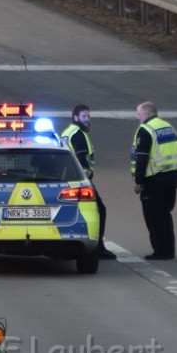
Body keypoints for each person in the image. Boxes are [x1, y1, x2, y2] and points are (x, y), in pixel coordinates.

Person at [61, 104, 117, 260]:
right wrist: (87, 175)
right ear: (75, 117)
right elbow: (81, 159)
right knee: (100, 210)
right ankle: (98, 248)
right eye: (84, 116)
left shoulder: (67, 132)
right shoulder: (78, 134)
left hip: (67, 179)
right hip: (80, 179)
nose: (88, 120)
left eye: (89, 117)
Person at [131, 101, 177, 260]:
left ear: (146, 114)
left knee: (154, 216)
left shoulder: (145, 130)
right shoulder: (168, 127)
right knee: (165, 214)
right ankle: (169, 250)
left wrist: (139, 181)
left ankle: (160, 251)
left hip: (154, 179)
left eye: (138, 114)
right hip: (172, 177)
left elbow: (142, 157)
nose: (137, 117)